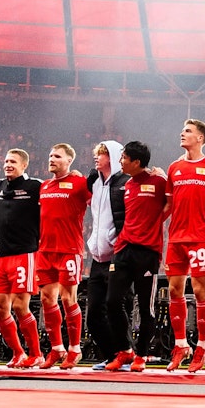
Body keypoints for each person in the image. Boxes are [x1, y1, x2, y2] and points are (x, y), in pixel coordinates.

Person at [102, 141, 169, 372]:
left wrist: (156, 222)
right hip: (123, 250)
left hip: (147, 252)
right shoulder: (128, 184)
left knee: (146, 307)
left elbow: (171, 202)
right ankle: (126, 350)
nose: (120, 162)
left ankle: (141, 354)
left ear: (136, 162)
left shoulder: (159, 181)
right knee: (111, 302)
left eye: (124, 158)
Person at [164, 122, 205, 372]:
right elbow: (167, 206)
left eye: (187, 131)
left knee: (199, 290)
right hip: (175, 238)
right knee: (174, 291)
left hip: (199, 237)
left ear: (200, 138)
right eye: (182, 129)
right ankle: (181, 345)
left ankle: (203, 346)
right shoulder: (174, 167)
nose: (182, 133)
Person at [35, 146, 91, 369]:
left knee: (69, 299)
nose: (52, 159)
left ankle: (75, 349)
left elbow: (101, 198)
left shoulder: (80, 183)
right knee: (48, 299)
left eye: (57, 156)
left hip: (69, 250)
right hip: (45, 251)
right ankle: (57, 347)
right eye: (50, 155)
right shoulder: (44, 186)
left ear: (69, 160)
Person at [0, 149, 45, 368]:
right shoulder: (0, 187)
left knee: (20, 306)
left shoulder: (35, 186)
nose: (8, 165)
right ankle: (18, 353)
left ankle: (37, 353)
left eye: (13, 161)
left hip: (26, 253)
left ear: (24, 165)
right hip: (2, 256)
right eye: (5, 161)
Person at [82, 141, 129, 371]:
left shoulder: (125, 182)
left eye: (101, 154)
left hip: (117, 255)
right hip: (97, 257)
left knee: (116, 307)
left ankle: (126, 353)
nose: (96, 158)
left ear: (112, 156)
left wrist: (117, 241)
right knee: (93, 315)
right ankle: (112, 355)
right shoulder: (95, 183)